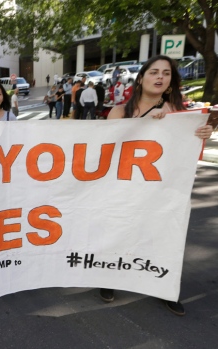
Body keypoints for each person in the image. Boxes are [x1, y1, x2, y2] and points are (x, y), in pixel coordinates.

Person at [106, 55, 214, 316]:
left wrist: (202, 133)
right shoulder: (120, 111)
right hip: (124, 190)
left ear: (170, 83)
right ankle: (107, 278)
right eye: (154, 72)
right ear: (141, 78)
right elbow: (106, 149)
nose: (160, 77)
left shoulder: (181, 116)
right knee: (117, 235)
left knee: (165, 238)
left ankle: (165, 287)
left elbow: (184, 155)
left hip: (162, 192)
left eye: (166, 74)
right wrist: (144, 122)